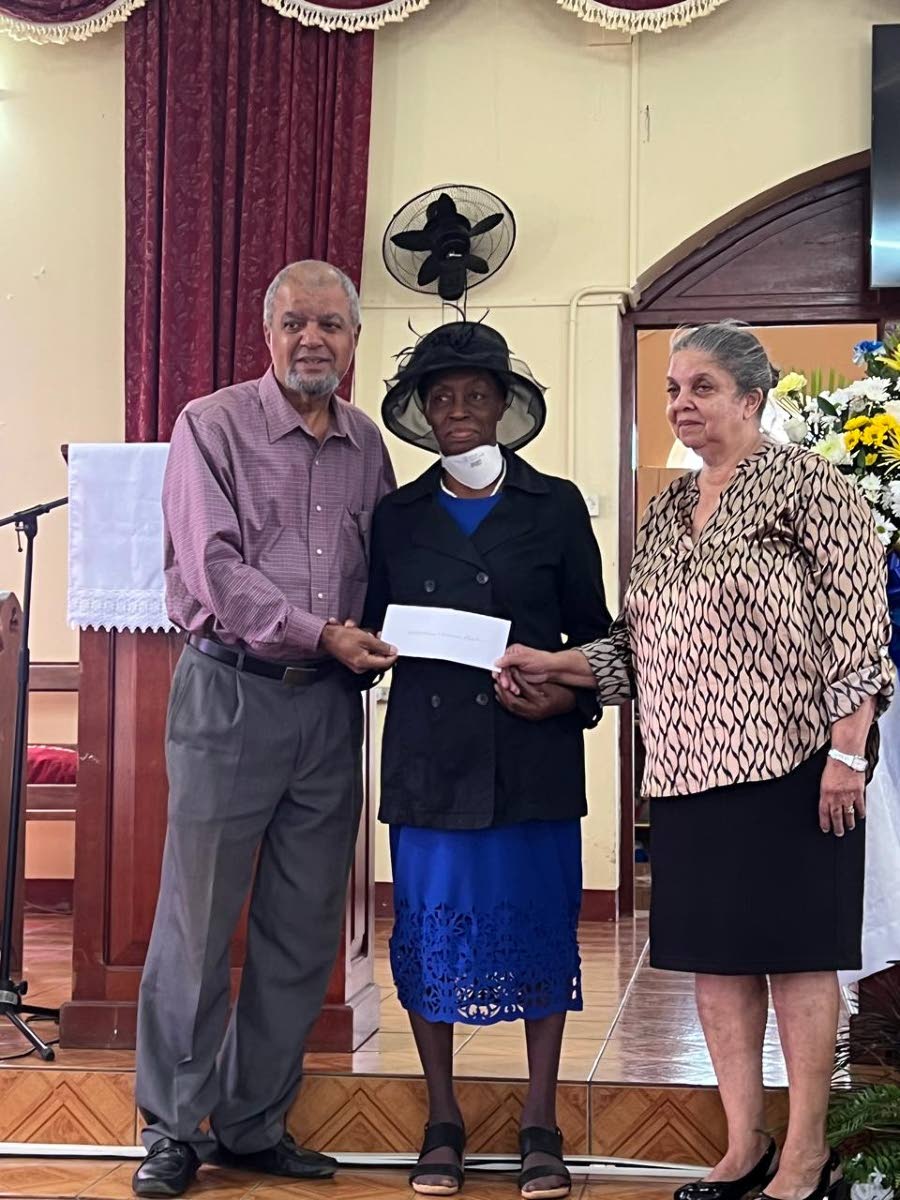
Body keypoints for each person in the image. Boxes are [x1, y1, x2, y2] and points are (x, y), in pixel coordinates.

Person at [498, 321, 894, 1200]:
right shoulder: (669, 509)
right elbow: (637, 650)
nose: (682, 404)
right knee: (717, 965)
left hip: (794, 765)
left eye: (703, 387)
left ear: (754, 397)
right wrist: (554, 664)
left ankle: (804, 1155)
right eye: (675, 388)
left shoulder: (811, 488)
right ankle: (742, 1145)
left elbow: (862, 636)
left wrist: (846, 754)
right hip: (683, 769)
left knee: (796, 961)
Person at [132, 260, 398, 1198]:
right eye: (295, 324)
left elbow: (387, 570)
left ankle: (251, 1123)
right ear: (267, 335)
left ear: (357, 341)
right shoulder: (211, 426)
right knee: (197, 922)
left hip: (328, 708)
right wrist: (320, 630)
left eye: (332, 324)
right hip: (231, 696)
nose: (313, 339)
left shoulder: (368, 444)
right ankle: (171, 1127)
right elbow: (212, 568)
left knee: (301, 927)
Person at [363, 320, 612, 1200]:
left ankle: (540, 1121)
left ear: (504, 407)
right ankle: (442, 1120)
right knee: (431, 942)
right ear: (422, 416)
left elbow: (601, 638)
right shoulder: (394, 516)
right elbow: (368, 627)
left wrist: (571, 695)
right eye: (441, 399)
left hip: (533, 758)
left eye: (474, 395)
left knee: (540, 936)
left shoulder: (557, 504)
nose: (457, 411)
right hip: (431, 762)